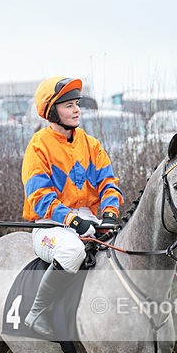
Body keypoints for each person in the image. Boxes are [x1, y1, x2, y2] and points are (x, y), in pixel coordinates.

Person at [21, 76, 123, 337]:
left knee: (122, 246)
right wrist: (73, 221)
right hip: (49, 226)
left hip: (88, 220)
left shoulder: (91, 144)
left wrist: (110, 214)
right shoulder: (38, 146)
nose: (77, 109)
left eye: (77, 103)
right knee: (72, 251)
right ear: (52, 111)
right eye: (69, 105)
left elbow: (108, 183)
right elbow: (40, 197)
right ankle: (37, 312)